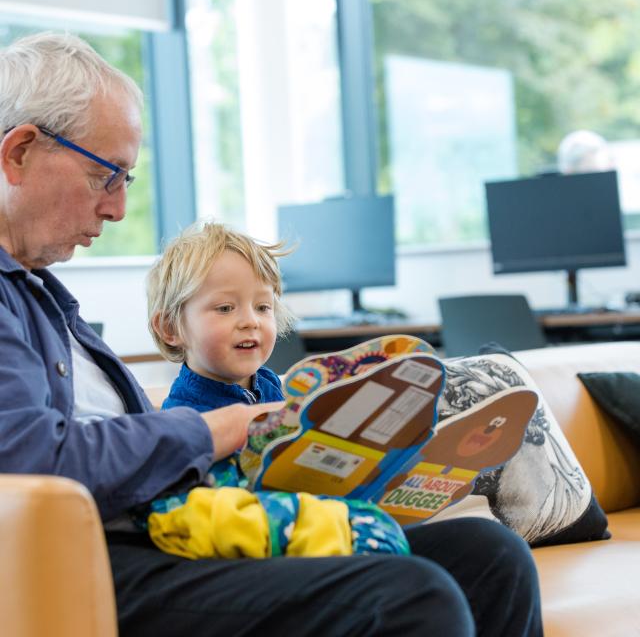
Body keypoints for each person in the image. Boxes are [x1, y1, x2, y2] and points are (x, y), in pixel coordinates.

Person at [0, 31, 542, 636]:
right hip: (107, 561)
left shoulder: (40, 293)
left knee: (492, 557)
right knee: (408, 596)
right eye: (108, 175)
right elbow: (31, 458)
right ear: (20, 152)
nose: (119, 208)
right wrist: (220, 429)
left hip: (163, 531)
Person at [142, 220, 410, 559]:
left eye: (262, 307)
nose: (250, 321)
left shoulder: (272, 385)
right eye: (225, 308)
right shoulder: (185, 421)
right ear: (170, 328)